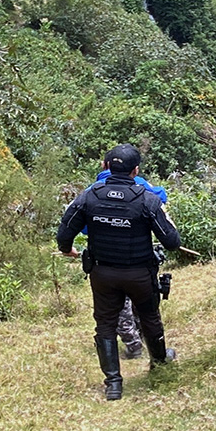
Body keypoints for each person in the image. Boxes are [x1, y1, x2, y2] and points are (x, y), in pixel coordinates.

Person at [57, 143, 181, 401]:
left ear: (104, 167)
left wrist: (68, 250)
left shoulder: (89, 196)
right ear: (135, 171)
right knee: (149, 317)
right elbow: (172, 241)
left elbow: (65, 231)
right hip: (139, 274)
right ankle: (158, 363)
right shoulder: (148, 199)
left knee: (105, 324)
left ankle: (113, 383)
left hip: (103, 274)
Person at [86, 154, 169, 361]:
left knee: (113, 311)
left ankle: (129, 351)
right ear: (136, 169)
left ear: (104, 165)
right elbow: (161, 197)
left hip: (104, 262)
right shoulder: (141, 187)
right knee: (146, 308)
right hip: (138, 263)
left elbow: (79, 226)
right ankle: (153, 354)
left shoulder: (92, 191)